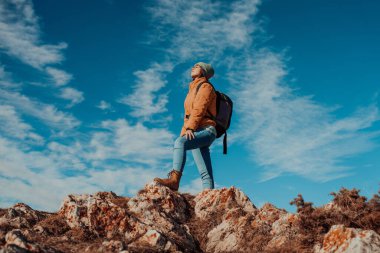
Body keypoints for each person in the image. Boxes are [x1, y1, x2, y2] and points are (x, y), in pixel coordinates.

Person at [154, 62, 217, 191]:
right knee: (205, 173)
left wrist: (190, 129)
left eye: (197, 66)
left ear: (204, 71)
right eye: (193, 66)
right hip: (196, 130)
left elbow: (200, 108)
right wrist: (185, 131)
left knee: (179, 143)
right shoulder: (192, 89)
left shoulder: (205, 87)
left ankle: (174, 180)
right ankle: (209, 196)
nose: (193, 67)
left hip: (207, 130)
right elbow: (187, 116)